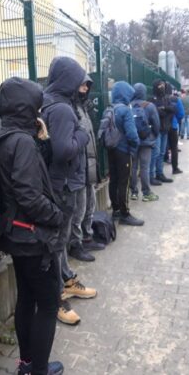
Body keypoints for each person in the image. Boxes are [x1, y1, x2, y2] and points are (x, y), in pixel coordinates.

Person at [0, 77, 65, 375]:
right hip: (34, 238)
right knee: (48, 305)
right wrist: (56, 215)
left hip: (15, 234)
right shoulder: (21, 142)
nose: (40, 113)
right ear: (26, 108)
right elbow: (28, 193)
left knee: (26, 298)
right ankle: (38, 370)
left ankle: (26, 365)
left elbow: (34, 173)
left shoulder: (6, 137)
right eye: (36, 107)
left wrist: (43, 138)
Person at [41, 57, 97, 326]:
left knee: (59, 242)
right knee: (57, 242)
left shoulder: (49, 102)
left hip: (57, 182)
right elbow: (63, 151)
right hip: (64, 185)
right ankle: (56, 298)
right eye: (77, 81)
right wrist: (83, 136)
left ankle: (66, 279)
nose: (80, 86)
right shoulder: (62, 109)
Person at [68, 75, 105, 262]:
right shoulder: (70, 109)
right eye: (81, 84)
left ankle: (87, 236)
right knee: (79, 208)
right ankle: (76, 244)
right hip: (79, 165)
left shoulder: (83, 107)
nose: (85, 88)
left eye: (87, 85)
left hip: (90, 162)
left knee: (90, 203)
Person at [108, 81, 144, 226]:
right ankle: (125, 214)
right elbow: (132, 135)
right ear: (126, 94)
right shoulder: (125, 110)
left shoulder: (109, 109)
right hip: (123, 151)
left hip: (111, 149)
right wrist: (134, 148)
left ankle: (115, 210)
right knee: (124, 182)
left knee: (114, 180)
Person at [129, 83, 161, 202]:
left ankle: (133, 192)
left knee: (133, 167)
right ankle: (146, 193)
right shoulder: (149, 106)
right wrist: (153, 136)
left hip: (132, 141)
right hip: (146, 141)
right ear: (144, 92)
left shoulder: (129, 105)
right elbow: (157, 125)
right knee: (144, 168)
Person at [149, 79, 175, 184]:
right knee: (156, 153)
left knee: (162, 153)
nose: (162, 87)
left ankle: (160, 174)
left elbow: (173, 110)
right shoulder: (152, 100)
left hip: (165, 129)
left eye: (163, 85)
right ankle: (151, 175)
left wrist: (164, 108)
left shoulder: (166, 98)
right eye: (160, 86)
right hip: (157, 130)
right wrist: (165, 111)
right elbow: (155, 112)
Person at [168, 92, 185, 174]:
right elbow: (181, 113)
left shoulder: (157, 99)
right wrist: (176, 121)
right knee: (174, 148)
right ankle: (175, 168)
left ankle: (158, 171)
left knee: (161, 149)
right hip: (173, 126)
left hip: (161, 127)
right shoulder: (175, 99)